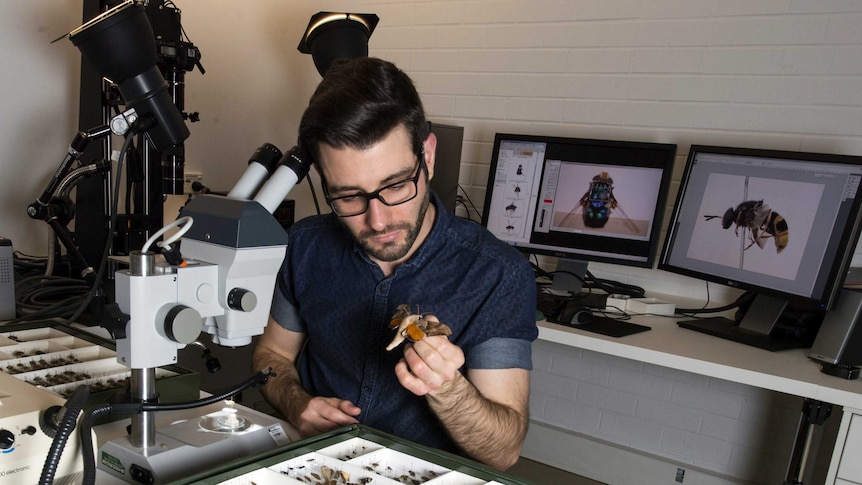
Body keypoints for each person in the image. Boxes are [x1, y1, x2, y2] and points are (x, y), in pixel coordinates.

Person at [253, 57, 538, 471]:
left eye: (397, 185)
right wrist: (297, 403)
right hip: (315, 467)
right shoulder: (306, 245)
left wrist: (448, 389)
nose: (379, 220)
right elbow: (272, 353)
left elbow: (503, 451)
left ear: (429, 156)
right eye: (348, 197)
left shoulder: (498, 275)